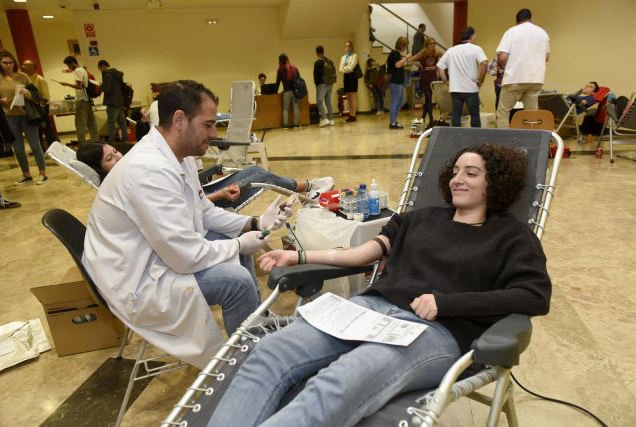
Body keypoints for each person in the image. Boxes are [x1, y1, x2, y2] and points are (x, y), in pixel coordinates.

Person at [208, 143, 552, 427]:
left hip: (434, 330)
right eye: (456, 171)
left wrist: (448, 303)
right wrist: (298, 257)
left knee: (339, 381)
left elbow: (534, 295)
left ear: (496, 183)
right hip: (371, 310)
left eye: (471, 173)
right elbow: (361, 254)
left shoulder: (512, 237)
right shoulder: (419, 218)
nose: (457, 180)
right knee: (270, 352)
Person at [82, 80, 293, 369]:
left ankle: (255, 321)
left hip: (152, 254)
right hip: (134, 279)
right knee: (237, 282)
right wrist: (240, 243)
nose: (213, 133)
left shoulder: (178, 157)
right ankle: (249, 368)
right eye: (207, 125)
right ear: (180, 120)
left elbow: (203, 210)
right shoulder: (147, 171)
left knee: (228, 239)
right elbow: (185, 257)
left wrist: (254, 222)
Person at [76, 141, 335, 207]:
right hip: (206, 201)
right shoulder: (130, 184)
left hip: (202, 193)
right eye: (110, 158)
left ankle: (305, 188)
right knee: (259, 177)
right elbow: (184, 207)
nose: (119, 156)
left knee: (254, 169)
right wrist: (218, 193)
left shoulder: (130, 171)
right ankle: (307, 188)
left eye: (115, 151)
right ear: (101, 170)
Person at [0, 50, 48, 185]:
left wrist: (27, 93)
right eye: (5, 63)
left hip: (27, 115)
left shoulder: (22, 76)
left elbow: (37, 96)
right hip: (9, 116)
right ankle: (26, 174)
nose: (8, 65)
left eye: (10, 62)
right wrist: (0, 101)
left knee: (35, 145)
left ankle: (43, 173)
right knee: (18, 148)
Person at [495, 8, 550, 129]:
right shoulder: (543, 33)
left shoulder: (512, 31)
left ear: (517, 20)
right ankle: (531, 143)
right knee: (531, 116)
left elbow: (503, 57)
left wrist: (501, 62)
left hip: (514, 78)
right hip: (535, 79)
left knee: (503, 112)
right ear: (531, 18)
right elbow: (546, 57)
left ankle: (503, 144)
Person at [437, 27, 488, 128]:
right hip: (471, 88)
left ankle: (457, 139)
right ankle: (475, 138)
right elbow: (484, 63)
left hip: (455, 89)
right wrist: (480, 80)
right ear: (472, 36)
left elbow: (439, 66)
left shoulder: (451, 50)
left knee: (456, 115)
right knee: (474, 115)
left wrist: (446, 80)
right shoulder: (476, 48)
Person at [59, 56, 99, 144]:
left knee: (80, 124)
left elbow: (79, 86)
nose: (69, 68)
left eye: (68, 65)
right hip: (87, 100)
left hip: (81, 101)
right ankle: (96, 142)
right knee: (91, 123)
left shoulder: (77, 70)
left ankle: (82, 144)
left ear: (72, 63)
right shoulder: (83, 70)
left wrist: (66, 84)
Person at [21, 59, 59, 148]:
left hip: (40, 107)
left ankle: (53, 148)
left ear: (32, 68)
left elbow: (45, 96)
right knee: (37, 130)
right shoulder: (26, 79)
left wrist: (38, 103)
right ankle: (40, 149)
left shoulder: (40, 79)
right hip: (32, 108)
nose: (22, 67)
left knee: (47, 129)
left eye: (25, 66)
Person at [412, 37, 442, 127]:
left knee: (428, 99)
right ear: (426, 44)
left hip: (433, 77)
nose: (432, 45)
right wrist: (420, 65)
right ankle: (431, 118)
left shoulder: (437, 52)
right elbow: (411, 59)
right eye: (430, 43)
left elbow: (446, 57)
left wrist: (438, 66)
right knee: (428, 99)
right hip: (425, 77)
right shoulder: (423, 52)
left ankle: (423, 117)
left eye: (434, 43)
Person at [97, 60, 128, 143]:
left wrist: (101, 85)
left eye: (99, 68)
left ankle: (111, 141)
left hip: (112, 102)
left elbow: (107, 89)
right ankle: (125, 140)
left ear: (102, 66)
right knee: (122, 122)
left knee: (111, 123)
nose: (100, 70)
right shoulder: (117, 74)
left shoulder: (107, 75)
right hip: (120, 101)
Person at [387, 36, 412, 129]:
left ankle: (393, 121)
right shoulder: (395, 54)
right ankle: (393, 123)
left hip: (398, 82)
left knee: (400, 102)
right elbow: (397, 65)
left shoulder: (396, 54)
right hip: (395, 82)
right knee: (395, 102)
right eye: (405, 46)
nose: (405, 48)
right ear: (402, 45)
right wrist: (406, 57)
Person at [275, 54, 301, 129]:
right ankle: (296, 125)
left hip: (287, 92)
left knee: (285, 109)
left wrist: (275, 92)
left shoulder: (280, 69)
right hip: (296, 92)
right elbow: (299, 79)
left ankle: (286, 125)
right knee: (296, 108)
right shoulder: (294, 68)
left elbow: (277, 82)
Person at [313, 45, 335, 127]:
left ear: (317, 53)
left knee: (319, 102)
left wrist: (317, 85)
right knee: (328, 102)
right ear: (323, 51)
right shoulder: (329, 61)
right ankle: (331, 120)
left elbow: (316, 76)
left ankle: (325, 119)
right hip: (330, 84)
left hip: (321, 85)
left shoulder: (317, 62)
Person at [339, 40, 360, 123]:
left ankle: (353, 115)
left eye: (349, 46)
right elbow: (340, 69)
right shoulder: (343, 57)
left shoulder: (355, 56)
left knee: (353, 97)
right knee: (348, 97)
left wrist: (345, 68)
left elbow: (352, 67)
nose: (347, 48)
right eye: (346, 46)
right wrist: (346, 68)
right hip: (346, 77)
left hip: (353, 77)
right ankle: (350, 115)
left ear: (352, 47)